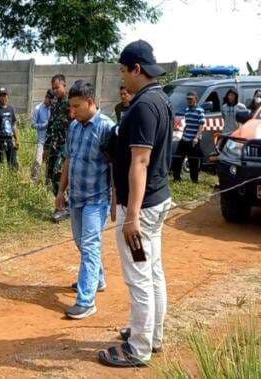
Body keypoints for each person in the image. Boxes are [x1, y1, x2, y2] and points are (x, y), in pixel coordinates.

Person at [98, 40, 173, 368]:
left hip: (142, 208)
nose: (121, 77)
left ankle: (138, 348)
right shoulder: (160, 99)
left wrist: (132, 217)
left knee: (139, 275)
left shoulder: (143, 106)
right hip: (157, 199)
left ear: (136, 69)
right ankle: (152, 335)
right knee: (152, 270)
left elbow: (140, 162)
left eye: (123, 70)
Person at [56, 80, 115, 320]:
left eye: (76, 106)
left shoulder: (107, 128)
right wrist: (61, 191)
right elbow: (69, 160)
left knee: (90, 245)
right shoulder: (74, 127)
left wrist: (115, 201)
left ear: (90, 103)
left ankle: (86, 301)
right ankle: (97, 279)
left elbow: (115, 166)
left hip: (97, 199)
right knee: (81, 243)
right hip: (76, 197)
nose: (72, 111)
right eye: (71, 107)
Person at [45, 74, 72, 221]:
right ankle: (63, 203)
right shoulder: (54, 102)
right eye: (53, 88)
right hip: (54, 144)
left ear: (64, 85)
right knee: (49, 175)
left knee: (58, 173)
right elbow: (51, 124)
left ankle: (63, 207)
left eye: (57, 87)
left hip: (66, 145)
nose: (55, 90)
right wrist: (46, 147)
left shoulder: (71, 102)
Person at [171, 91, 205, 183]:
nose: (189, 101)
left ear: (195, 99)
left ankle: (194, 180)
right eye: (188, 99)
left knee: (193, 161)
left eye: (191, 99)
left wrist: (196, 138)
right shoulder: (187, 110)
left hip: (193, 139)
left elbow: (201, 125)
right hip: (185, 137)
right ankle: (176, 177)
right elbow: (187, 124)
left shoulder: (200, 110)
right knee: (178, 158)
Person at [0, 87, 19, 170]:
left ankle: (13, 179)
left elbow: (14, 125)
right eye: (1, 95)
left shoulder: (11, 109)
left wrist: (17, 140)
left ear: (7, 96)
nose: (3, 97)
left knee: (13, 164)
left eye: (4, 95)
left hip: (10, 140)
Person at [31, 90, 54, 181]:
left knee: (49, 163)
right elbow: (33, 125)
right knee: (38, 161)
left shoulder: (54, 108)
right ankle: (34, 181)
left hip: (52, 141)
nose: (50, 101)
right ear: (46, 97)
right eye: (49, 99)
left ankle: (47, 181)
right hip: (41, 140)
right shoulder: (38, 108)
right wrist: (44, 125)